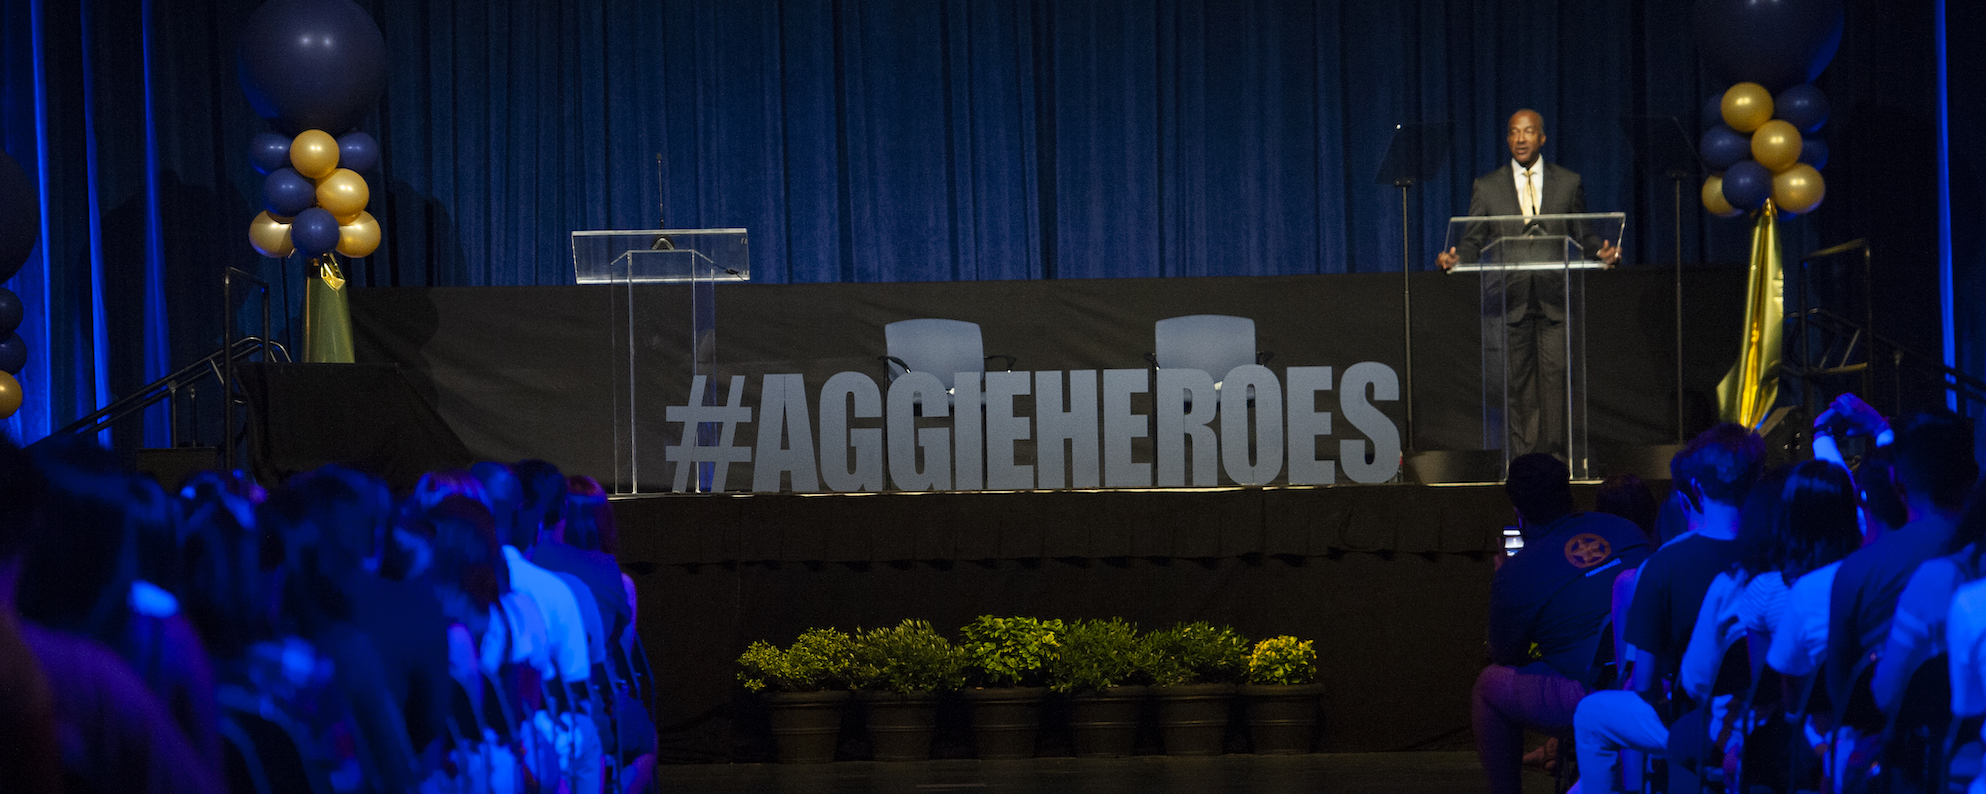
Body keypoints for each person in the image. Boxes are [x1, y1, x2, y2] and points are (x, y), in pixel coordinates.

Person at [1571, 423, 1762, 793]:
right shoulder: (1780, 552)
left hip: (1698, 722)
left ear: (1698, 487)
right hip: (1769, 717)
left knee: (1591, 714)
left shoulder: (1665, 563)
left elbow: (1644, 683)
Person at [1437, 109, 1621, 459]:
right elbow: (1473, 241)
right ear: (1508, 139)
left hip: (1554, 298)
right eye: (1513, 133)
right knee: (1517, 388)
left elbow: (1584, 233)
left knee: (1556, 383)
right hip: (1509, 300)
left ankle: (1557, 461)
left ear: (1542, 138)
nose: (1520, 139)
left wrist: (1603, 251)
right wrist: (1457, 258)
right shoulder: (1487, 186)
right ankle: (1524, 463)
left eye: (1528, 132)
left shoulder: (1567, 182)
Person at [1474, 453, 1651, 794]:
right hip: (1654, 681)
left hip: (1594, 692)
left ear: (1519, 513)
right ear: (1568, 493)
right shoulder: (1626, 529)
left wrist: (1505, 579)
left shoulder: (1517, 573)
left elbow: (1504, 653)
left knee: (1488, 686)